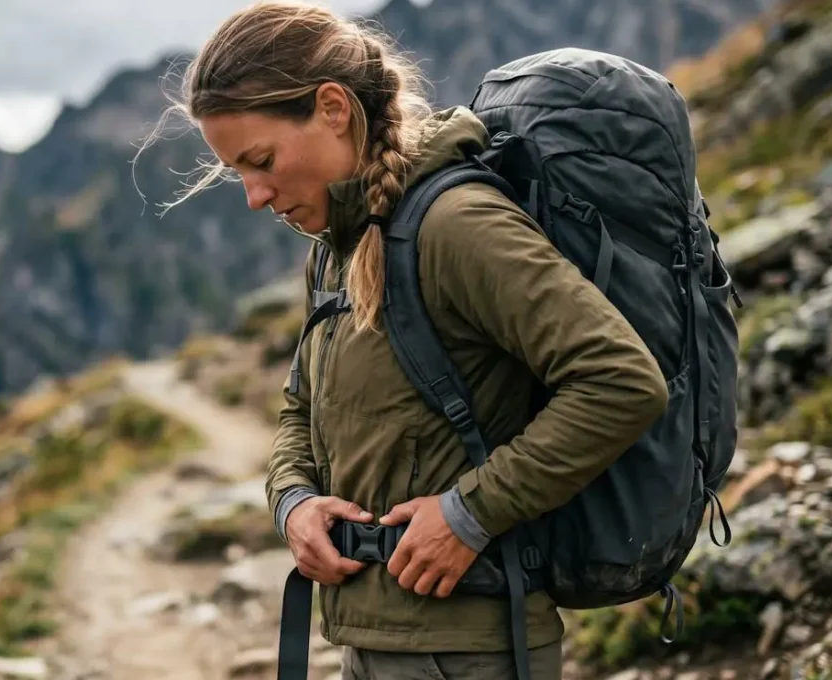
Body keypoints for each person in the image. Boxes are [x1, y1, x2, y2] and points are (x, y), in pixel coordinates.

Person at [142, 1, 671, 677]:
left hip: (471, 648)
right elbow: (300, 410)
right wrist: (293, 503)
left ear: (333, 108)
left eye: (262, 160)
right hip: (370, 637)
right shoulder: (335, 246)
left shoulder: (457, 225)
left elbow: (622, 381)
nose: (254, 196)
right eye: (237, 173)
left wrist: (468, 514)